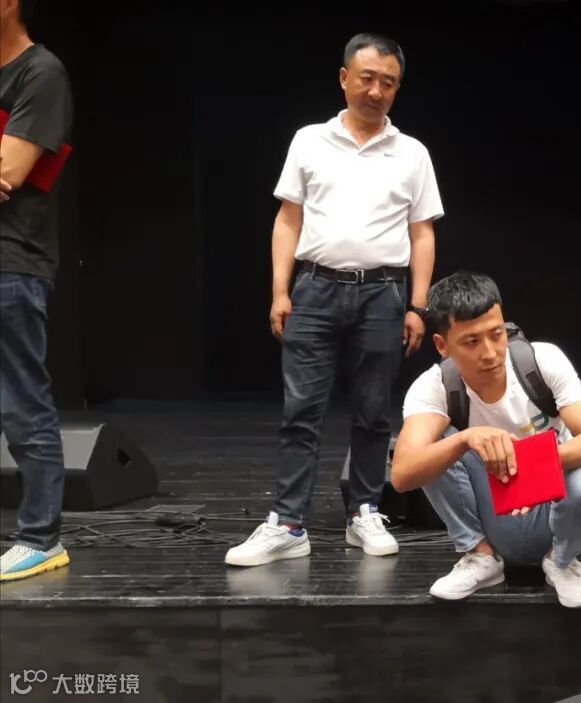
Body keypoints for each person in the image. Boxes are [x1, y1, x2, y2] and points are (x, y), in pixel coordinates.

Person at [226, 33, 443, 567]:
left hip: (383, 293)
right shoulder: (309, 141)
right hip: (315, 288)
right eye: (366, 78)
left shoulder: (412, 152)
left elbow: (422, 232)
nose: (376, 90)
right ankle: (287, 523)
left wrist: (418, 306)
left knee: (373, 412)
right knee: (300, 411)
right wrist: (280, 290)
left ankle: (364, 511)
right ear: (345, 78)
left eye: (388, 82)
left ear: (398, 88)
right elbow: (288, 218)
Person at [389, 271, 581, 607]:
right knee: (440, 443)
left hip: (552, 508)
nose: (490, 353)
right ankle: (479, 555)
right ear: (442, 346)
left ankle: (562, 562)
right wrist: (466, 439)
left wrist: (525, 462)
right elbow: (402, 473)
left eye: (497, 335)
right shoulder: (434, 387)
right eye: (471, 342)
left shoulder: (541, 360)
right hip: (494, 511)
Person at [0, 0, 75, 582]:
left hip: (13, 263)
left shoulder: (39, 73)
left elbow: (8, 171)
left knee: (21, 402)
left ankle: (40, 537)